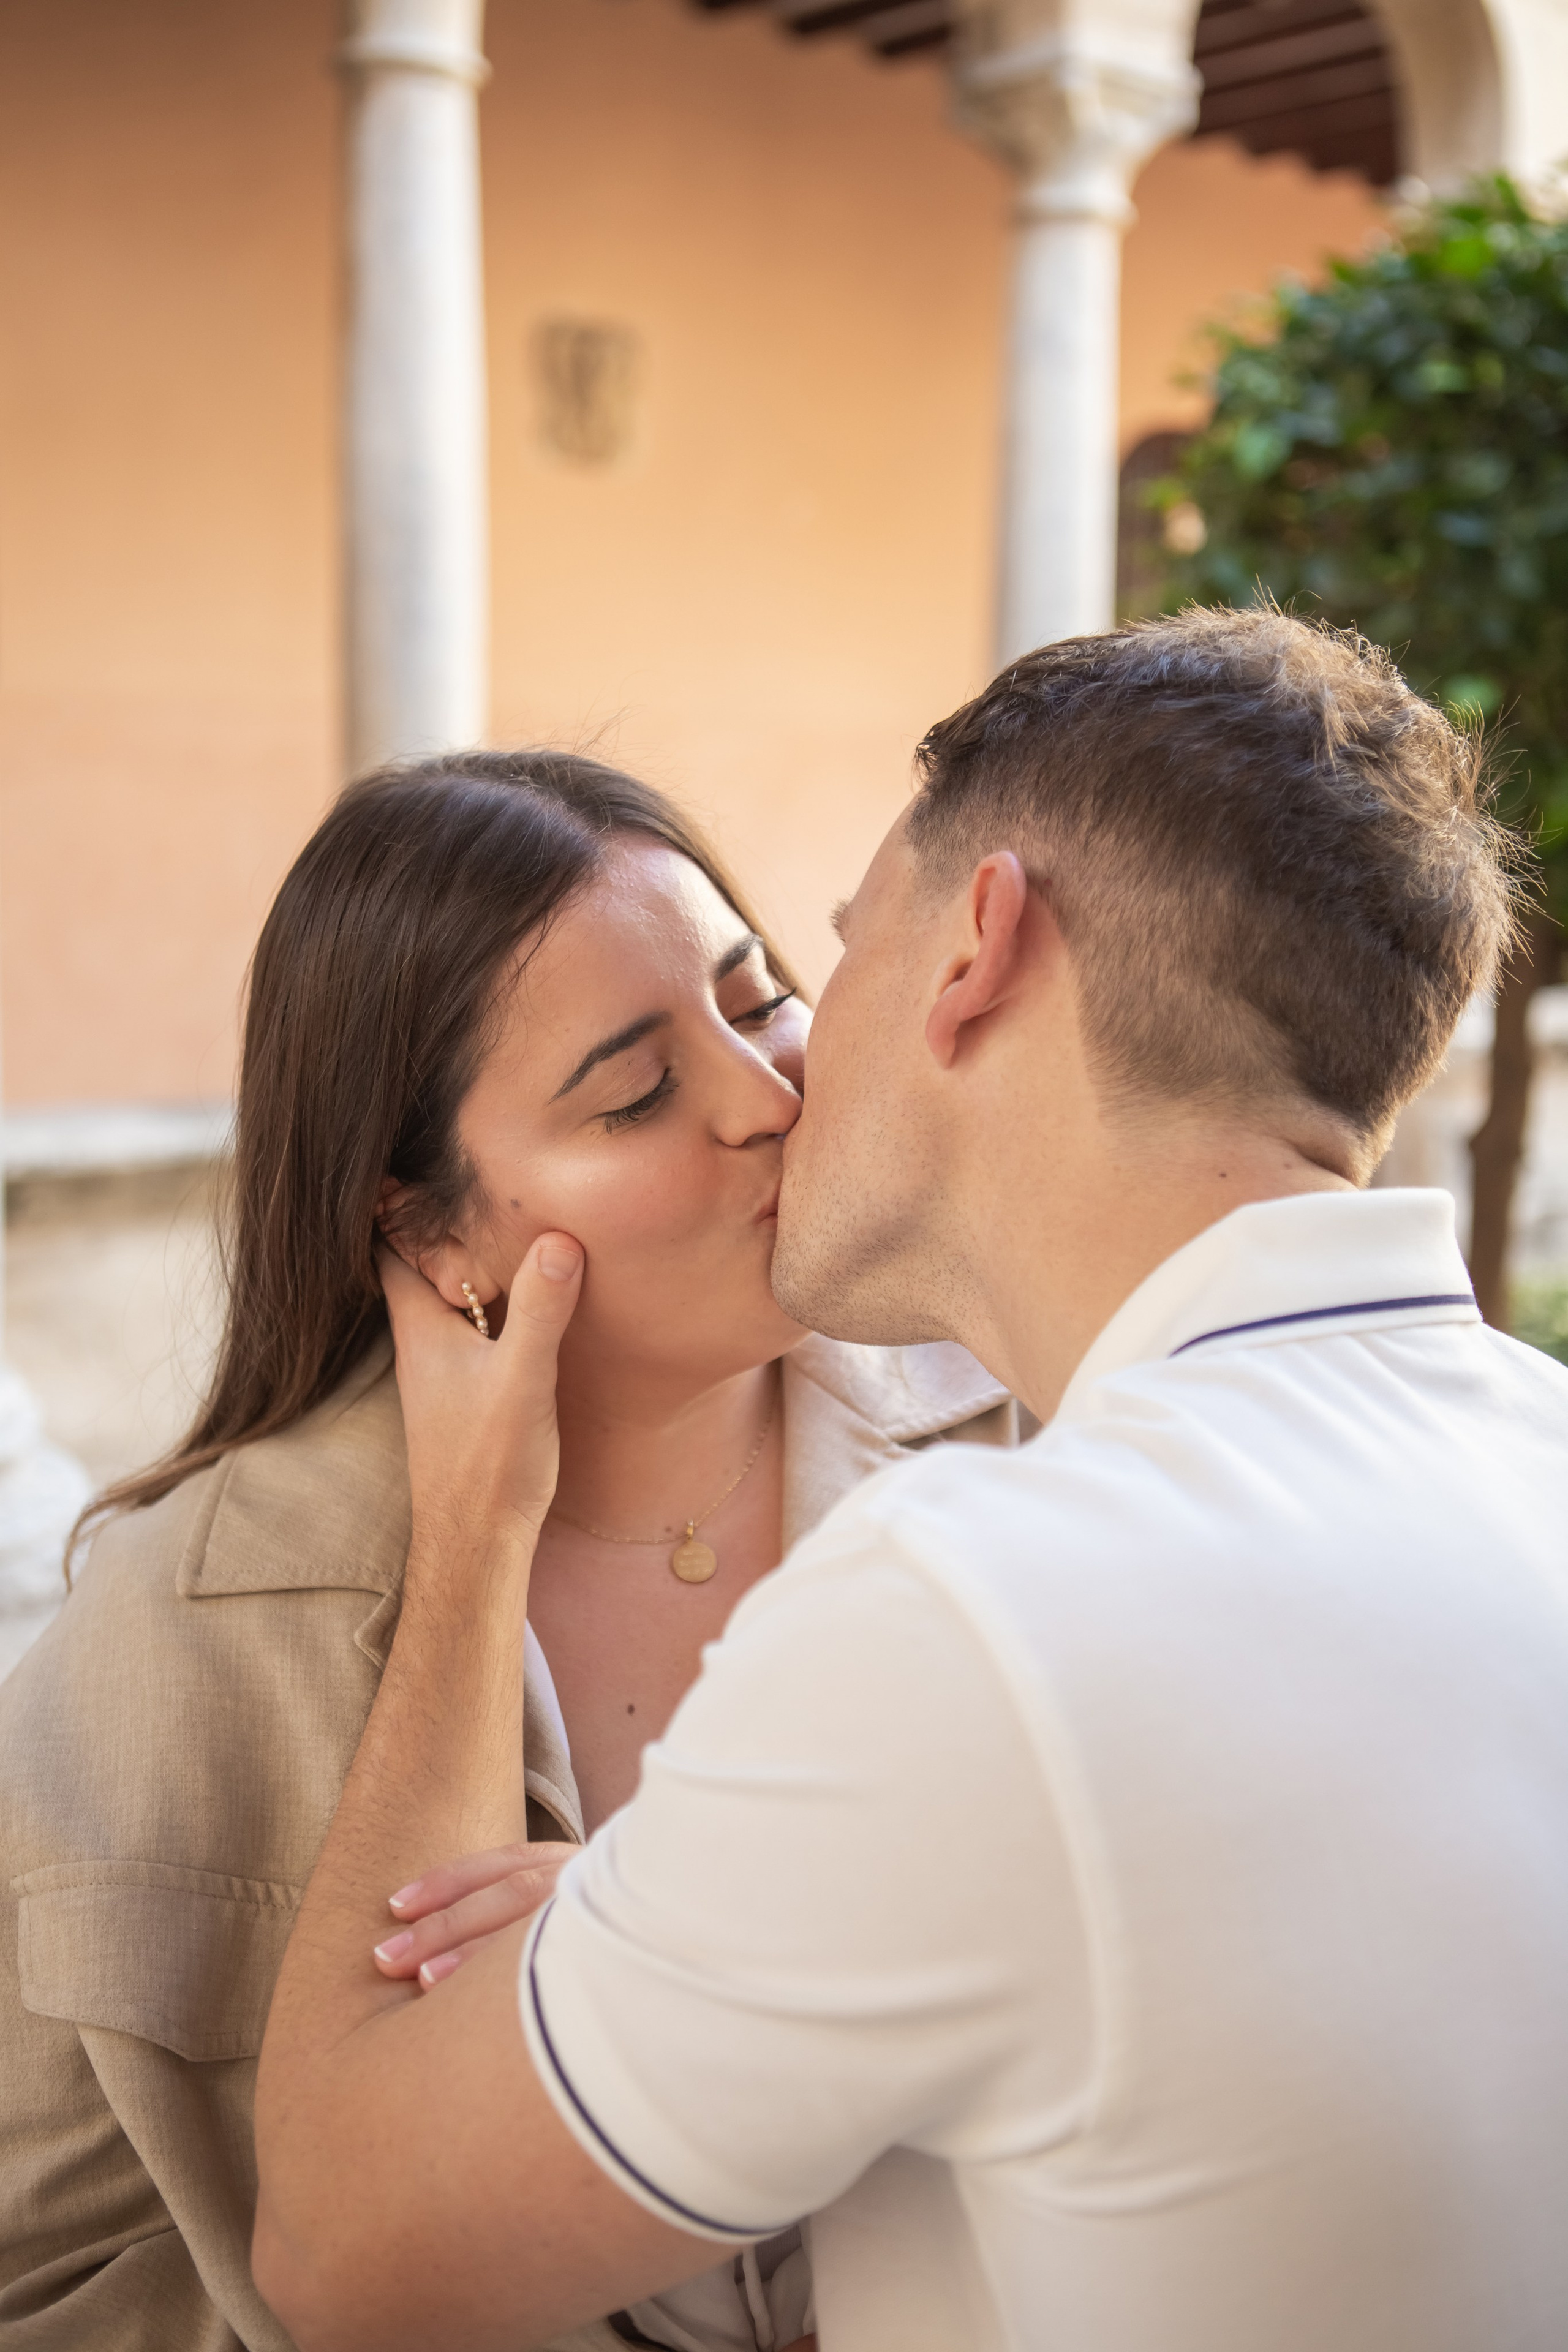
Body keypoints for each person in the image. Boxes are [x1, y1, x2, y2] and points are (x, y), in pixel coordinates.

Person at [253, 606, 1568, 2352]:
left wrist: (471, 1544)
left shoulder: (970, 1615)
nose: (776, 1089)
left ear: (975, 950)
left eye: (818, 962)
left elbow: (344, 2255)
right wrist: (698, 1918)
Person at [0, 750, 1022, 2351]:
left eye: (760, 1002)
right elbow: (45, 2279)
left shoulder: (1037, 1430)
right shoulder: (184, 1630)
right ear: (429, 1228)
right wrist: (469, 1551)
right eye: (635, 1095)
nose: (770, 1103)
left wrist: (703, 1940)